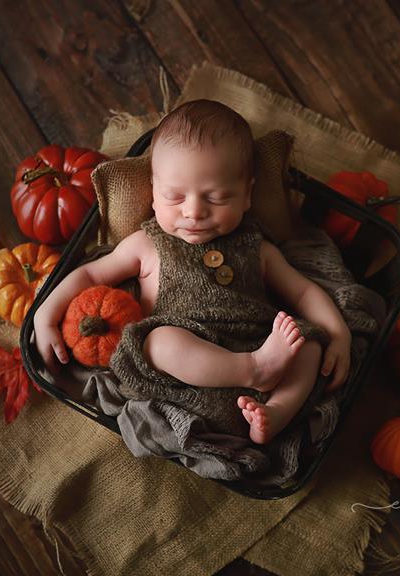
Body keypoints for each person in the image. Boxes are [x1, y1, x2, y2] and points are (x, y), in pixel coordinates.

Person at [33, 99, 351, 445]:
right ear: (154, 194)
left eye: (216, 197)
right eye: (174, 196)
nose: (194, 211)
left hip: (259, 357)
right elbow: (91, 276)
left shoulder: (258, 247)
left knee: (307, 344)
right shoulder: (146, 243)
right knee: (157, 342)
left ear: (247, 195)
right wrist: (46, 314)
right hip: (187, 382)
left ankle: (277, 412)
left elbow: (303, 292)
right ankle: (253, 369)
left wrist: (339, 335)